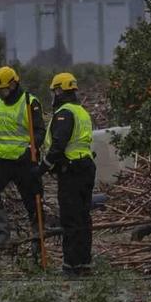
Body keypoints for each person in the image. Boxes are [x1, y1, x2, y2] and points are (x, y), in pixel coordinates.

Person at [0, 65, 46, 252]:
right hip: (2, 159)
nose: (0, 93)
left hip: (24, 161)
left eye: (3, 89)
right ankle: (2, 234)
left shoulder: (29, 102)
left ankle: (37, 238)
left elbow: (40, 131)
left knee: (32, 200)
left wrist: (31, 148)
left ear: (14, 84)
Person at [44, 71, 96, 276]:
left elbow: (58, 144)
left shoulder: (64, 113)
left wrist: (43, 167)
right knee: (84, 217)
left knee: (71, 218)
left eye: (54, 91)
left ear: (59, 91)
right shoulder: (81, 111)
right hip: (86, 167)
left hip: (72, 171)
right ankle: (84, 263)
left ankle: (71, 265)